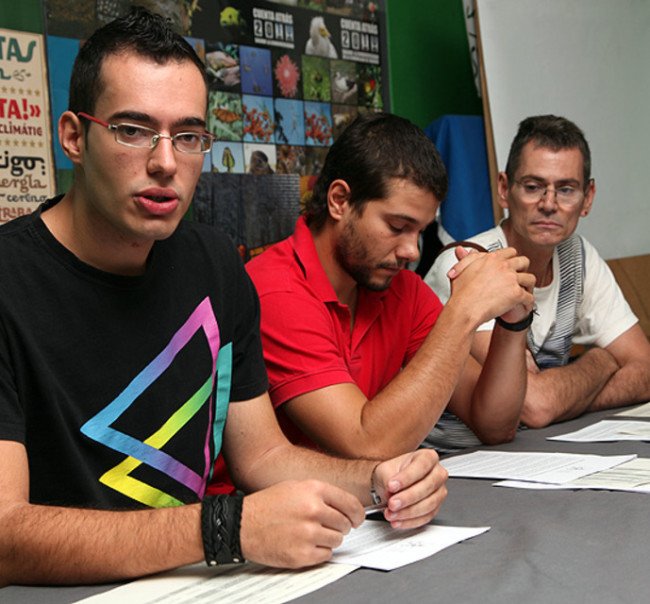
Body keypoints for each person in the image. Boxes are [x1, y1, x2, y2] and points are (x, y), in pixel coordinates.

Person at [0, 9, 448, 586]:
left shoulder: (213, 263)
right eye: (132, 130)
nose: (165, 162)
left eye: (187, 136)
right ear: (73, 138)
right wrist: (223, 528)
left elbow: (261, 457)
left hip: (198, 584)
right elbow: (6, 536)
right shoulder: (11, 281)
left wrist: (379, 478)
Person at [246, 112, 536, 459]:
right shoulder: (275, 290)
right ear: (340, 201)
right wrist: (463, 311)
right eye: (398, 226)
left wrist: (513, 321)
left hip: (361, 500)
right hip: (268, 506)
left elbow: (494, 425)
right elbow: (365, 443)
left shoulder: (402, 289)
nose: (411, 251)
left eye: (420, 231)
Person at [426, 115, 650, 428]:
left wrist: (564, 400)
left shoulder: (579, 256)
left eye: (567, 190)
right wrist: (602, 361)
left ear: (587, 198)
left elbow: (645, 369)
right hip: (452, 461)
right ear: (504, 189)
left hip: (534, 454)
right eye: (533, 187)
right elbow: (533, 407)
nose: (549, 204)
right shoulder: (467, 264)